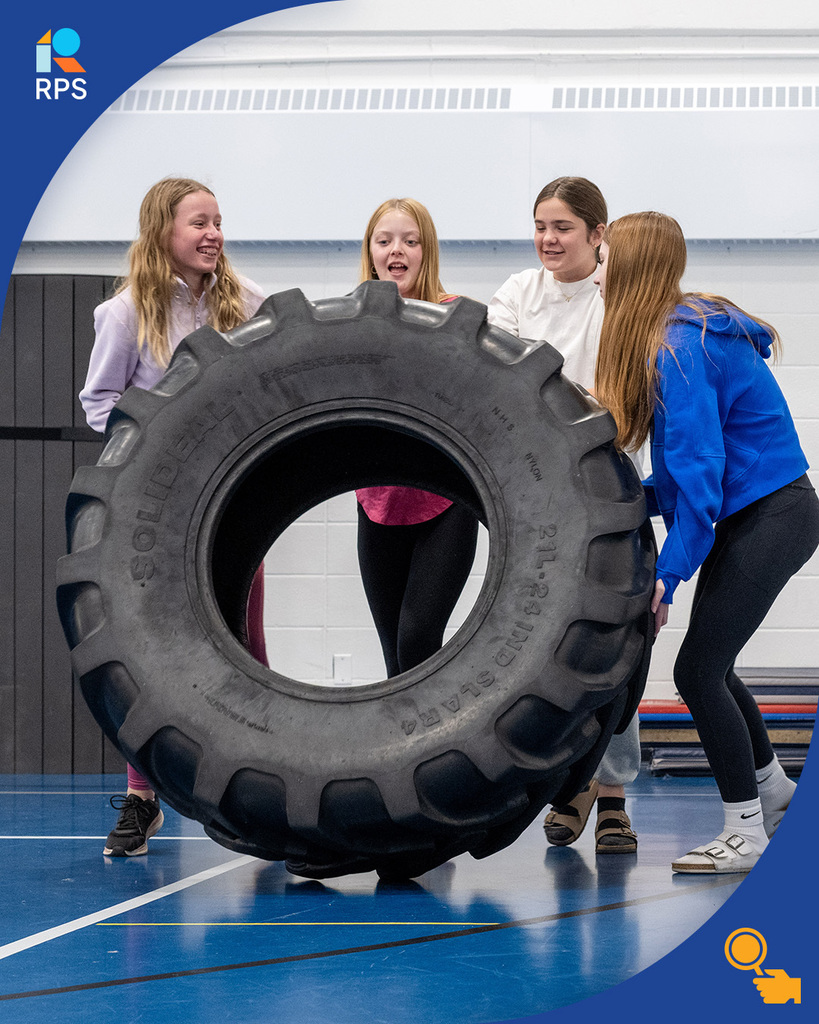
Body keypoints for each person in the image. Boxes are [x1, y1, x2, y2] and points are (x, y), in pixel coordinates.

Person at [593, 211, 819, 873]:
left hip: (773, 516)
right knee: (709, 667)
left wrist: (665, 579)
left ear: (631, 267)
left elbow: (699, 488)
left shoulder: (678, 348)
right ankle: (774, 797)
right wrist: (625, 500)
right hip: (763, 513)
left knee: (696, 671)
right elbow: (686, 479)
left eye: (606, 258)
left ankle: (743, 831)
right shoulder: (679, 332)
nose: (598, 272)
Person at [80, 176, 269, 857]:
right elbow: (98, 402)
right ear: (164, 231)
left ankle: (257, 793)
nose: (212, 232)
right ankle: (142, 797)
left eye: (218, 220)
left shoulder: (245, 303)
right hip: (161, 516)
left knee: (246, 644)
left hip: (235, 503)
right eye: (198, 222)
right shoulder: (127, 313)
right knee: (151, 657)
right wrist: (154, 446)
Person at [488, 177, 641, 855]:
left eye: (563, 228)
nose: (548, 240)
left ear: (597, 235)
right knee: (544, 649)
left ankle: (611, 796)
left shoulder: (617, 301)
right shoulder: (518, 292)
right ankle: (570, 786)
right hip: (536, 503)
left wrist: (557, 399)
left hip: (608, 494)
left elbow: (622, 405)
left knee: (615, 652)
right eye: (540, 225)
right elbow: (493, 380)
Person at [355, 198, 479, 677]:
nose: (396, 251)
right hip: (378, 503)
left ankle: (441, 751)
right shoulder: (352, 321)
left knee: (419, 638)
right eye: (384, 241)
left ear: (427, 251)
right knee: (394, 657)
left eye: (410, 240)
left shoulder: (456, 318)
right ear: (370, 251)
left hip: (444, 505)